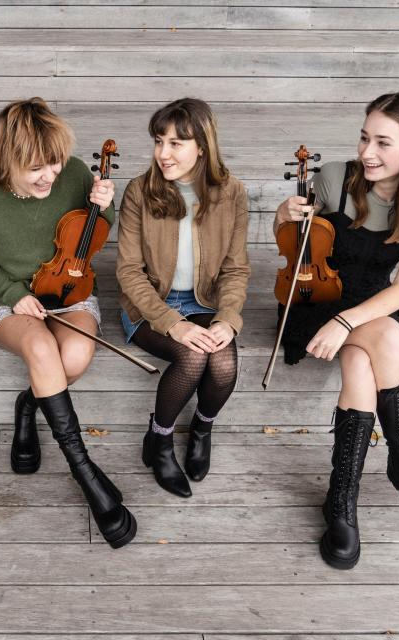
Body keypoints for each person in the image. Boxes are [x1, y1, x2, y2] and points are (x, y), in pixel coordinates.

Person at [273, 91, 399, 570]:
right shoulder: (335, 178)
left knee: (362, 358)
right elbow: (294, 244)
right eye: (363, 137)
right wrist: (283, 214)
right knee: (388, 339)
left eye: (382, 142)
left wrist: (346, 322)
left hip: (368, 308)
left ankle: (342, 498)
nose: (366, 153)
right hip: (318, 297)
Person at [0, 97, 136, 549]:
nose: (49, 175)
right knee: (41, 349)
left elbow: (93, 231)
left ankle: (29, 405)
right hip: (9, 301)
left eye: (54, 163)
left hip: (71, 289)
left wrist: (105, 206)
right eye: (36, 167)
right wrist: (15, 295)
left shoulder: (76, 172)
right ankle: (84, 469)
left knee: (74, 355)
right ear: (7, 160)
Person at [116, 98, 250, 498]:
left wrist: (227, 319)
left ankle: (202, 430)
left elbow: (235, 269)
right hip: (149, 304)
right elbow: (128, 272)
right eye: (159, 141)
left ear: (202, 147)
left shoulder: (232, 193)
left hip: (205, 302)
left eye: (176, 143)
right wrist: (173, 322)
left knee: (222, 363)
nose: (163, 153)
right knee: (192, 357)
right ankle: (160, 439)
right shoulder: (141, 191)